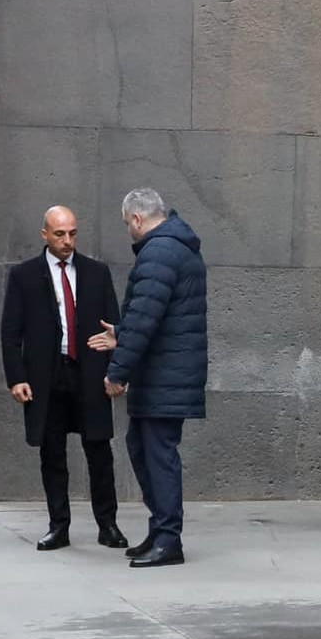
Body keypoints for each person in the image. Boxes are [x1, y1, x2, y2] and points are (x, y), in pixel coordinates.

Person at [0, 206, 126, 552]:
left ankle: (108, 524)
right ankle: (59, 526)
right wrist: (17, 378)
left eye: (72, 233)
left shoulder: (96, 273)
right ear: (45, 235)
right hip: (46, 375)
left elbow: (114, 326)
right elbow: (10, 332)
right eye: (59, 234)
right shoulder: (25, 275)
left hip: (90, 372)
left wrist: (117, 371)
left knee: (99, 450)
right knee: (52, 452)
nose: (67, 240)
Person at [104, 188, 207, 569]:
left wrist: (117, 372)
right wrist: (120, 331)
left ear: (136, 219)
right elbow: (156, 317)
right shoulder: (176, 247)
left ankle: (168, 539)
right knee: (143, 448)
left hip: (165, 376)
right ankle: (161, 528)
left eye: (126, 224)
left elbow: (146, 319)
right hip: (167, 373)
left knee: (158, 455)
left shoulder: (159, 252)